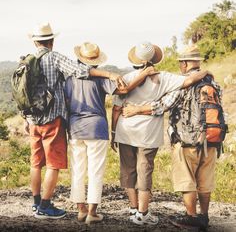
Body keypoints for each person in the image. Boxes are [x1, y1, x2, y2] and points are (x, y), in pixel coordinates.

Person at [23, 22, 126, 220]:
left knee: (36, 163)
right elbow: (81, 71)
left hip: (34, 120)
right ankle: (45, 206)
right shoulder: (54, 57)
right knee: (54, 164)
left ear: (35, 42)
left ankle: (36, 204)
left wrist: (27, 119)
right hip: (53, 120)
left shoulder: (28, 60)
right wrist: (110, 73)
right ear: (51, 40)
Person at [111, 42, 209, 226]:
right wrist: (205, 72)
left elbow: (116, 109)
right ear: (153, 59)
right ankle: (143, 213)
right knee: (145, 170)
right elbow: (188, 81)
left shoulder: (125, 78)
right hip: (148, 134)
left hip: (125, 131)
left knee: (128, 170)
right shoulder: (163, 77)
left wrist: (113, 132)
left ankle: (133, 209)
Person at [64, 42, 157, 224]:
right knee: (95, 171)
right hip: (96, 127)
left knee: (78, 170)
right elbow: (124, 90)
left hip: (75, 127)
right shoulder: (100, 79)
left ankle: (81, 210)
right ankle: (92, 212)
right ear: (97, 62)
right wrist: (144, 74)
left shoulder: (69, 78)